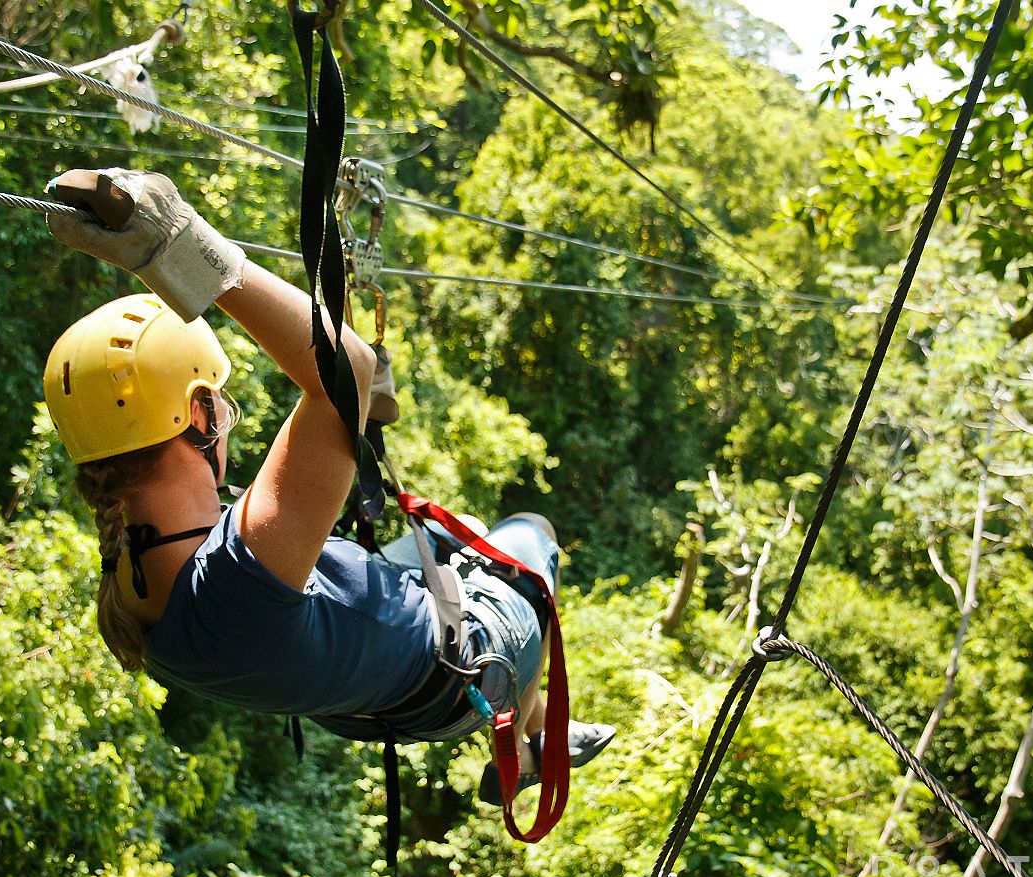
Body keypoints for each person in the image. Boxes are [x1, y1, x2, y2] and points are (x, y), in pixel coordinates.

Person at [41, 168, 613, 804]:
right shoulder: (241, 572)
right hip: (463, 673)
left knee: (454, 540)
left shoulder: (134, 578)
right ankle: (528, 731)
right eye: (221, 404)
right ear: (199, 414)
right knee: (525, 536)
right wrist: (178, 244)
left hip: (364, 694)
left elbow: (336, 385)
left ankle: (532, 738)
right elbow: (348, 369)